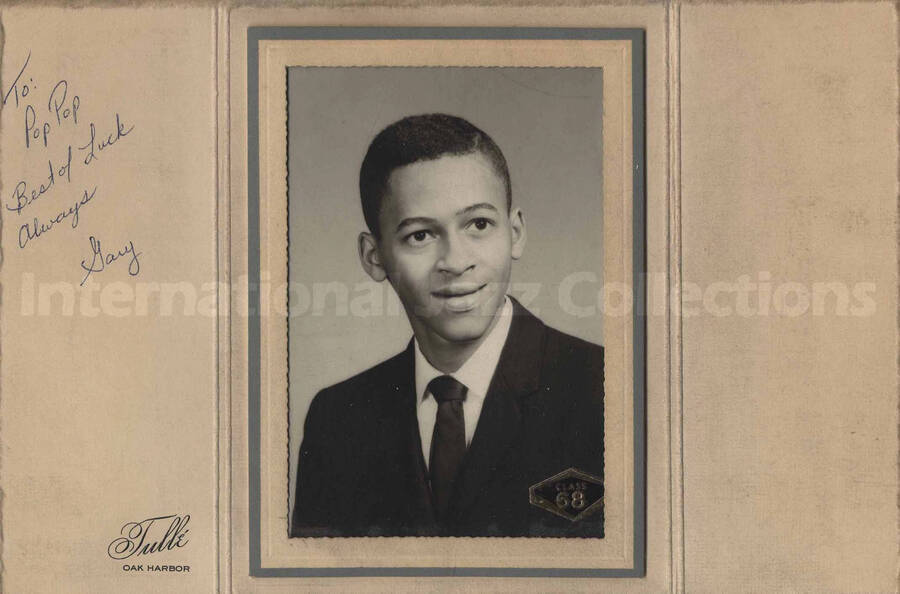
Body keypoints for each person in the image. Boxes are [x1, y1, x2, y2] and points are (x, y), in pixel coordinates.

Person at [291, 114, 604, 538]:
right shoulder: (338, 420)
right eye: (420, 235)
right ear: (374, 256)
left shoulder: (606, 389)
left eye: (479, 224)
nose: (456, 262)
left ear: (515, 233)